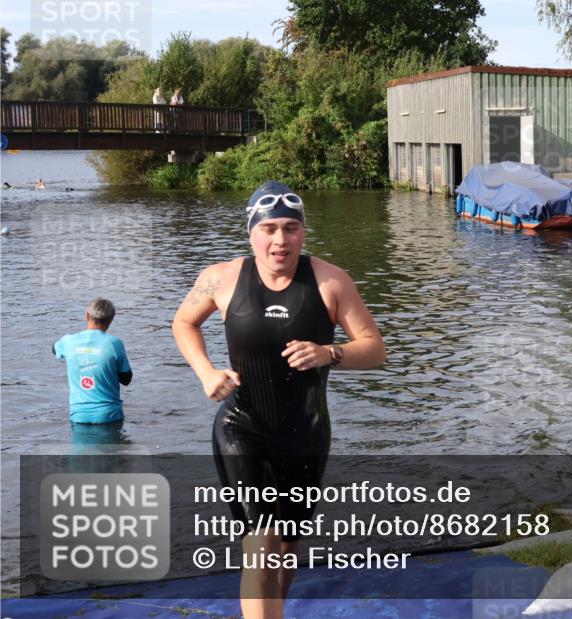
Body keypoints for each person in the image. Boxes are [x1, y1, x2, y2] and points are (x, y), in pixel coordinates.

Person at [172, 181, 385, 619]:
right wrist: (206, 372)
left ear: (304, 232)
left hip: (305, 432)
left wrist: (330, 353)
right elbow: (183, 323)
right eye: (269, 228)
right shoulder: (221, 278)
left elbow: (375, 348)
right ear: (251, 232)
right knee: (262, 543)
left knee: (286, 545)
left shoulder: (329, 281)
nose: (280, 240)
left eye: (291, 228)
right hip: (242, 426)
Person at [54, 298, 133, 433]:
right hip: (109, 416)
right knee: (112, 454)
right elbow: (126, 379)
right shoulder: (115, 344)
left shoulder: (68, 341)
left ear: (87, 316)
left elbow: (55, 350)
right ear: (110, 320)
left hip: (79, 416)